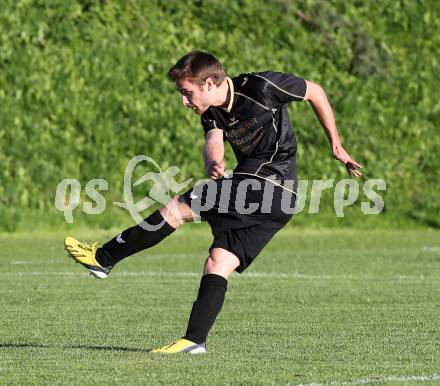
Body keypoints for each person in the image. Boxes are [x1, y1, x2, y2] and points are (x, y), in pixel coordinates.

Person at [65, 51, 362, 354]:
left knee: (177, 209)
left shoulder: (261, 86)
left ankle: (104, 257)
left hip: (270, 186)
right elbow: (214, 140)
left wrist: (336, 144)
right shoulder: (211, 111)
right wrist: (215, 162)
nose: (184, 101)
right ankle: (195, 340)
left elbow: (314, 91)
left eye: (186, 92)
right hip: (278, 202)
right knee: (219, 261)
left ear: (208, 83)